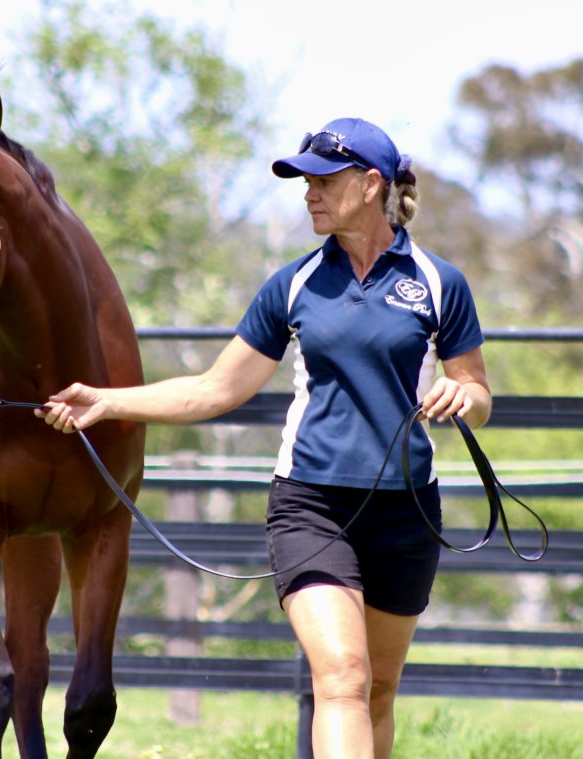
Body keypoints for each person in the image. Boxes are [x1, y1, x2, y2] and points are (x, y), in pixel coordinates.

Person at [36, 117, 491, 759]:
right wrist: (105, 401)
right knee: (343, 678)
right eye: (303, 181)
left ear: (369, 185)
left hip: (407, 511)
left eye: (322, 180)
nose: (308, 192)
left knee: (380, 688)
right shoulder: (294, 286)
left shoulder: (440, 282)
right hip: (311, 506)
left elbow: (477, 391)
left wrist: (461, 395)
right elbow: (214, 390)